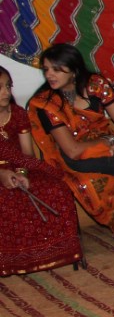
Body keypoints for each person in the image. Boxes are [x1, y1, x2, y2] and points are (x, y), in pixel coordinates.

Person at [27, 43, 114, 256]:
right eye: (46, 69)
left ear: (75, 70)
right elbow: (72, 150)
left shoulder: (96, 85)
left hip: (106, 143)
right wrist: (109, 142)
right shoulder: (46, 104)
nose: (50, 74)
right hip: (77, 156)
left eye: (56, 69)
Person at [0, 65, 82, 276]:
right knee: (6, 200)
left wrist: (22, 173)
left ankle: (56, 252)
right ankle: (13, 259)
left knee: (56, 189)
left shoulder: (17, 113)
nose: (6, 93)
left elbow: (27, 153)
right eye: (0, 88)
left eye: (8, 86)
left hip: (20, 167)